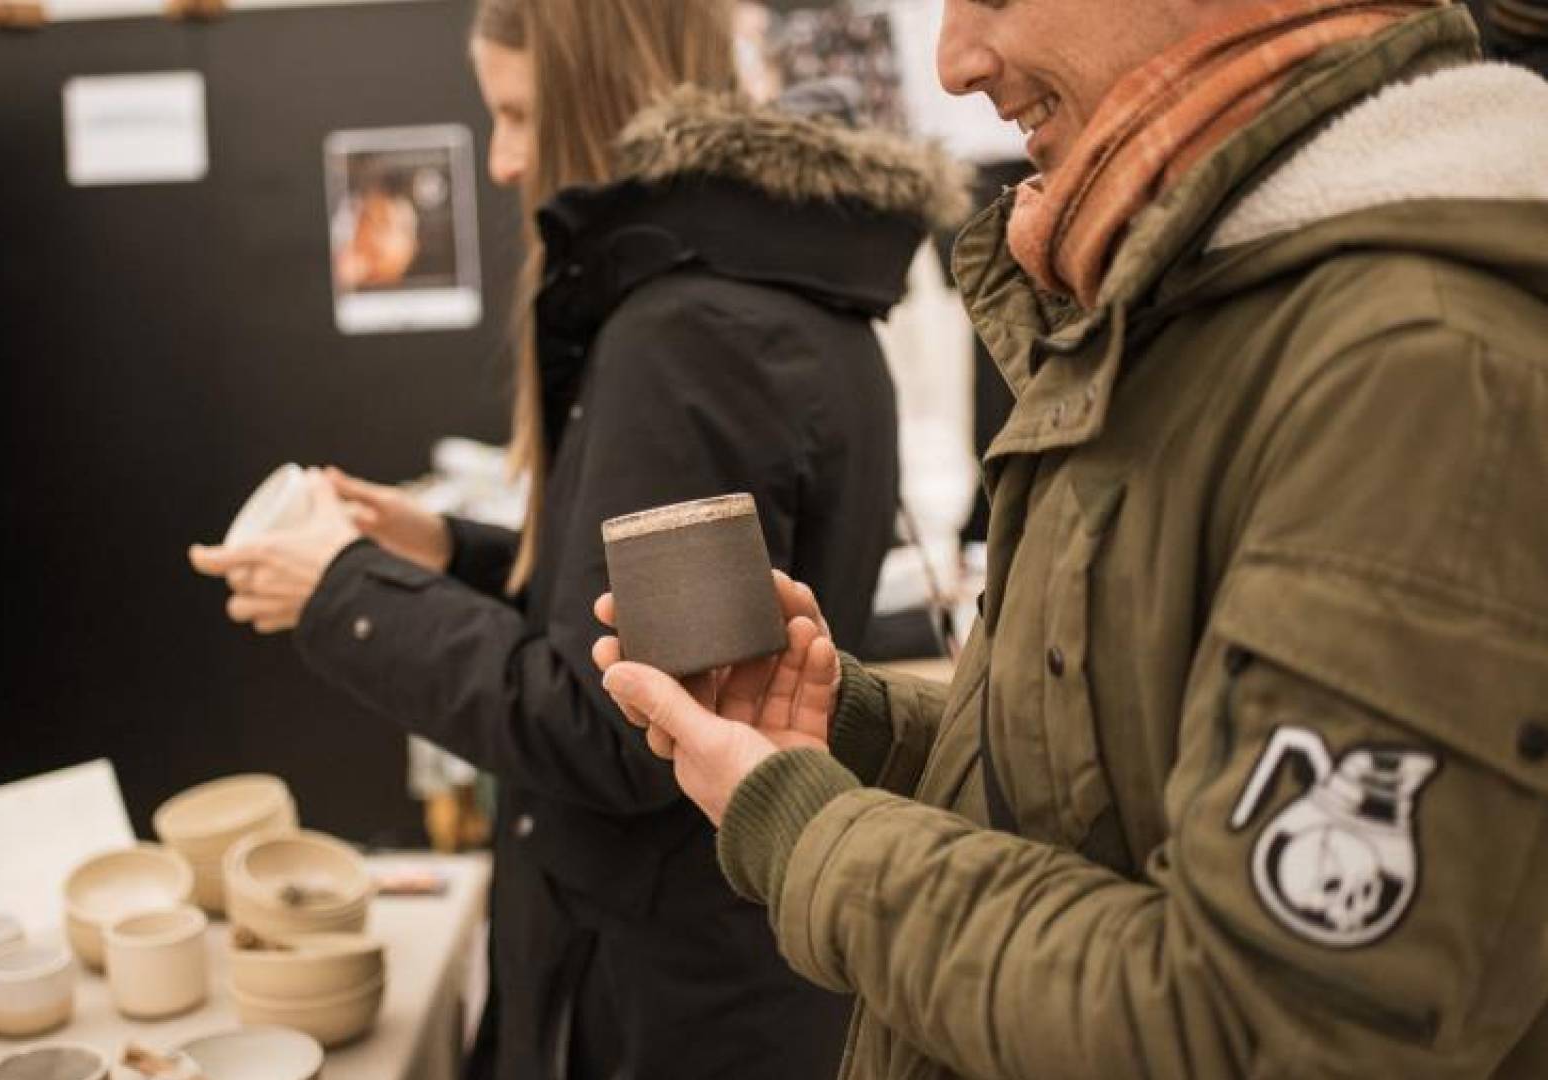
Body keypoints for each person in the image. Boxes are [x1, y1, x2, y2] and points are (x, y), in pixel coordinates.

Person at [595, 0, 1548, 1076]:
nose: (955, 63)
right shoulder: (1206, 317)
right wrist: (856, 735)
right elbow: (1129, 780)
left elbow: (1251, 1032)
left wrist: (809, 829)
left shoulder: (1425, 378)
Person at [188, 0, 968, 1076]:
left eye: (517, 115)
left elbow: (622, 728)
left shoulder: (691, 333)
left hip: (670, 1005)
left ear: (602, 93)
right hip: (715, 967)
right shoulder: (769, 296)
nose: (502, 160)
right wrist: (446, 549)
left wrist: (345, 593)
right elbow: (630, 624)